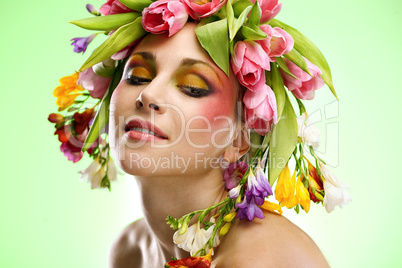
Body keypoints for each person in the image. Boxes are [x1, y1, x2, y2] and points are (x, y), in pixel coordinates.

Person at [48, 0, 351, 267]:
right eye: (137, 76)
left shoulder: (263, 258)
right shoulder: (130, 250)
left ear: (240, 139)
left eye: (192, 87)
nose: (149, 94)